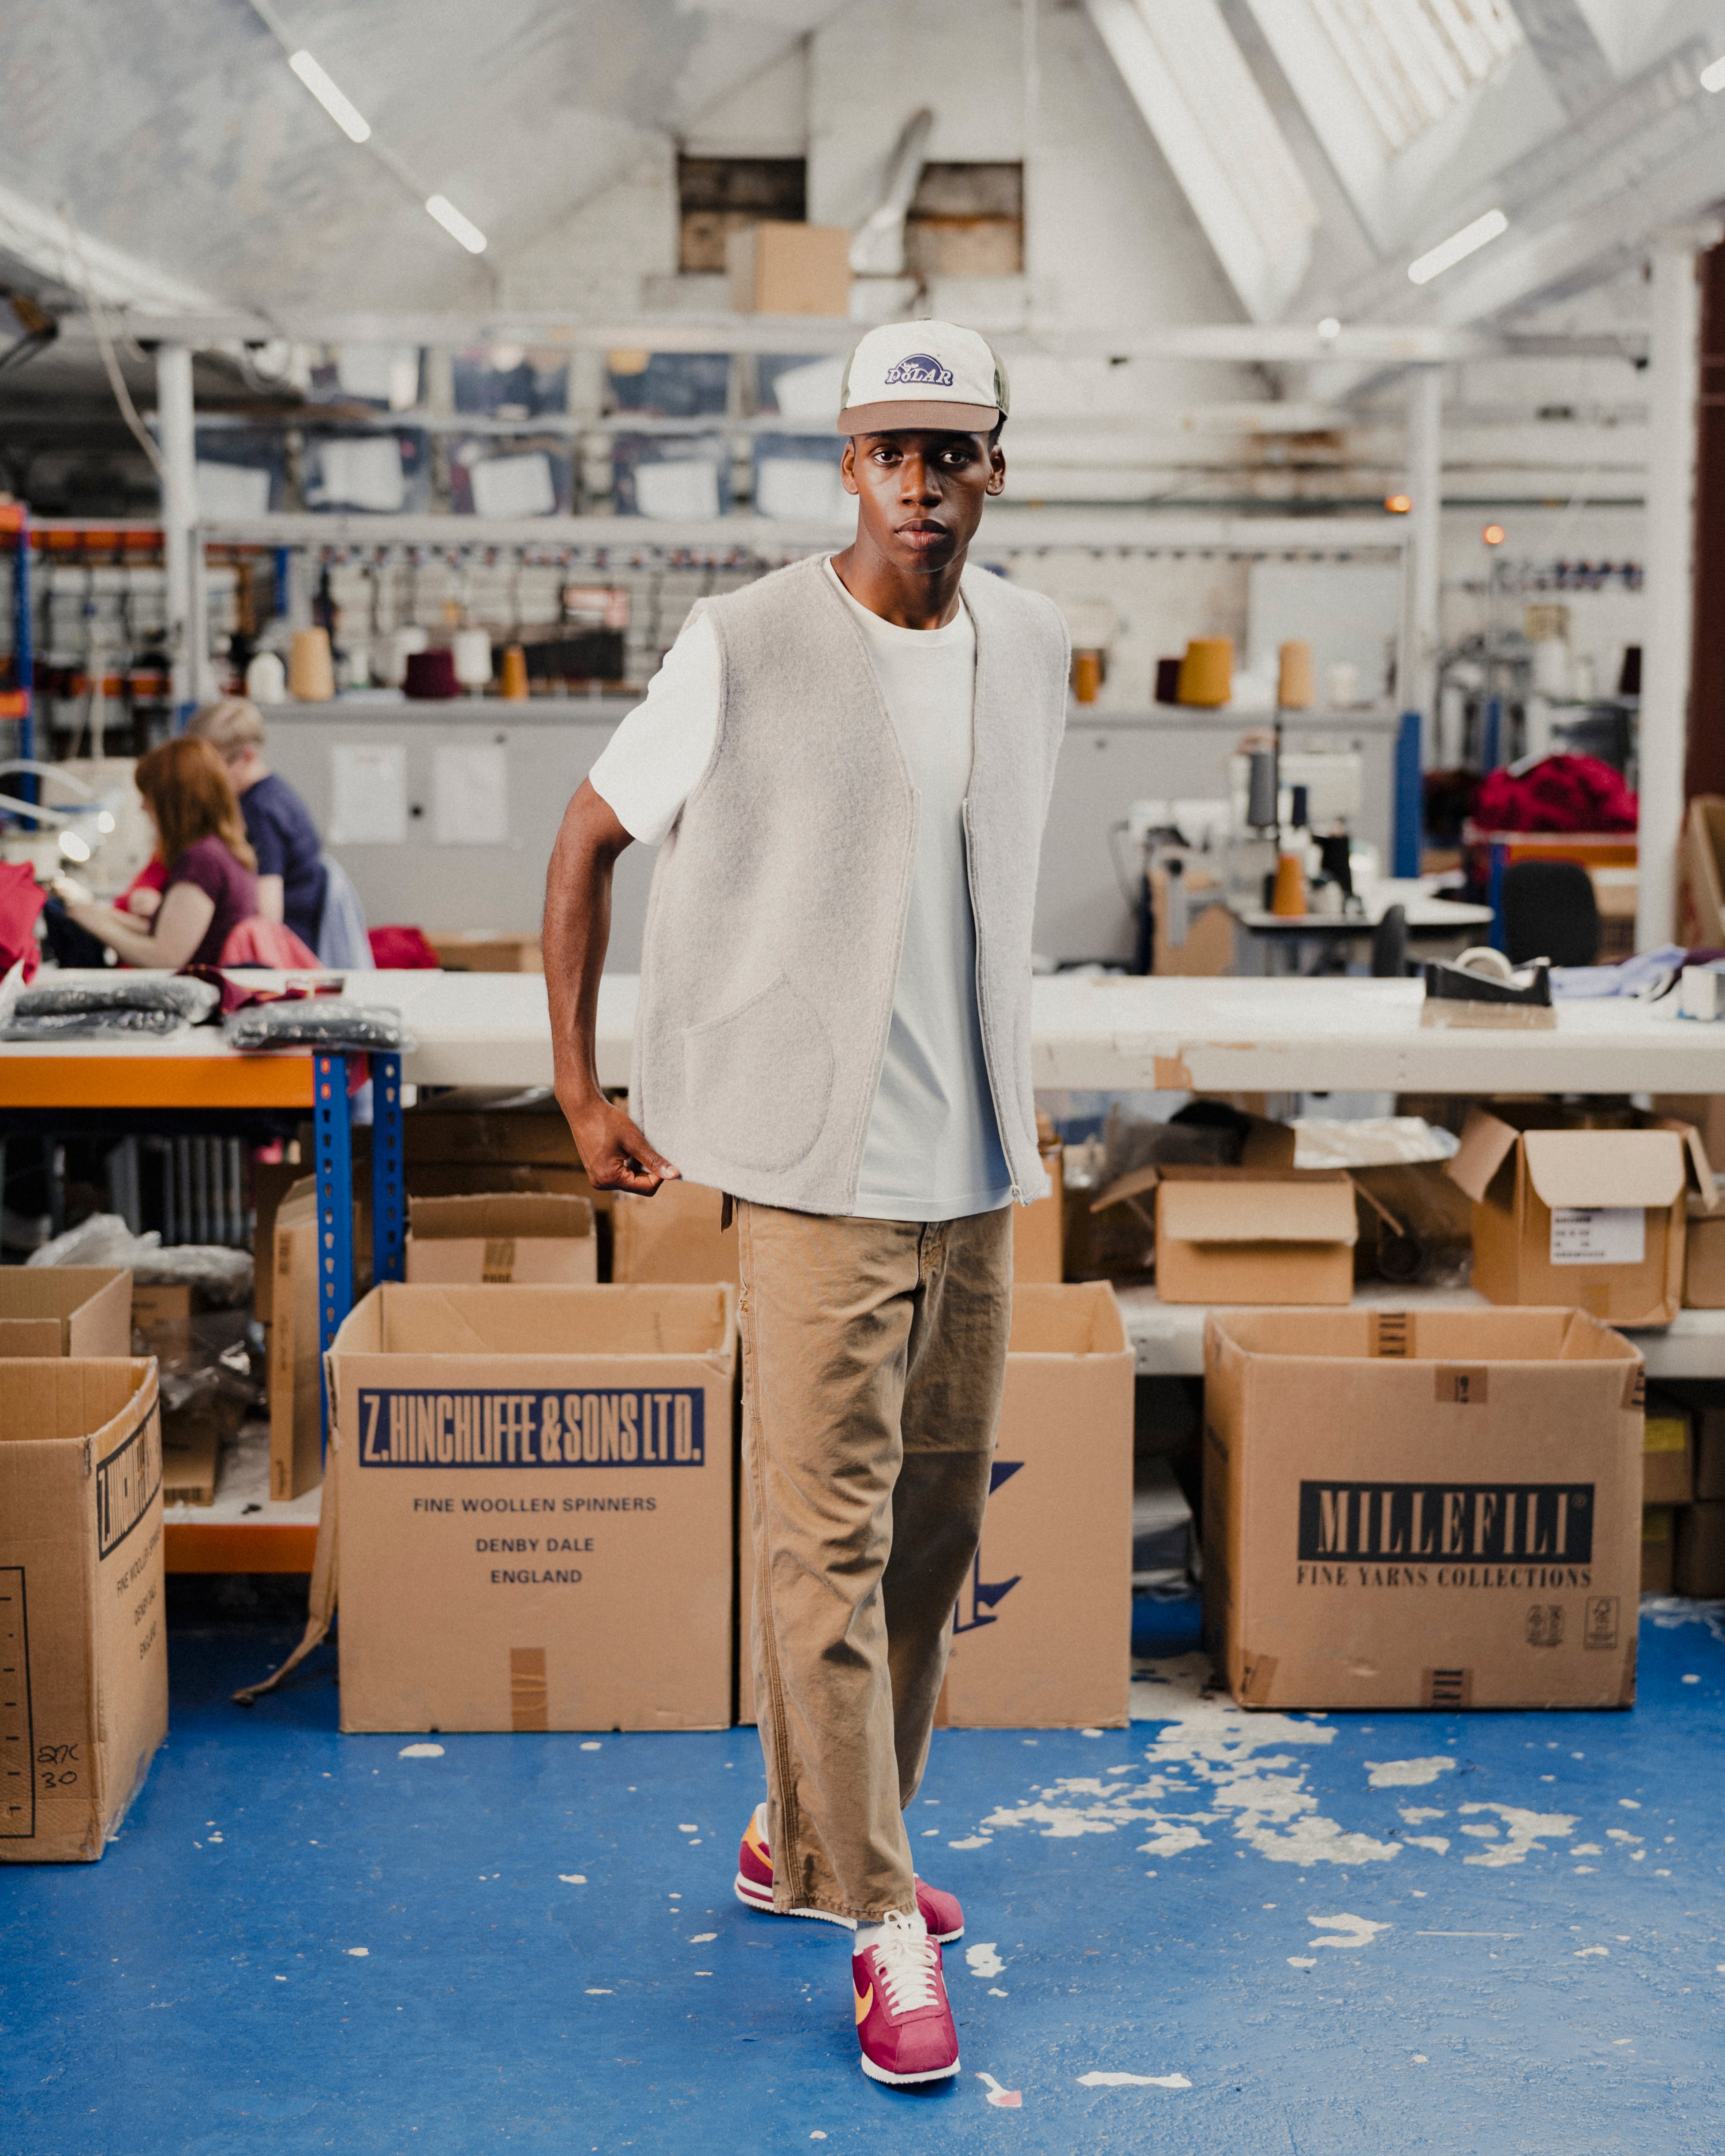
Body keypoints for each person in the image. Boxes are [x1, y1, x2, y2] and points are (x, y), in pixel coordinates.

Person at [543, 321, 1068, 2090]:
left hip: (971, 1171)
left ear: (993, 465)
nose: (920, 487)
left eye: (953, 454)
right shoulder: (746, 643)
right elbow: (586, 841)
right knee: (820, 1545)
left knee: (928, 1537)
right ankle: (876, 1921)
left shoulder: (1032, 649)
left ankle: (803, 1830)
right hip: (809, 1174)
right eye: (888, 455)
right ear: (846, 465)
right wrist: (578, 1083)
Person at [57, 736, 258, 969]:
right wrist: (97, 915)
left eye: (150, 798)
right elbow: (167, 934)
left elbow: (166, 958)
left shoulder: (203, 861)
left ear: (173, 803)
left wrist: (96, 924)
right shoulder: (221, 852)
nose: (143, 807)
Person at [187, 697, 326, 950]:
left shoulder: (259, 812)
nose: (203, 779)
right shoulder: (275, 792)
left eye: (213, 767)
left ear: (248, 756)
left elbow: (267, 918)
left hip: (286, 953)